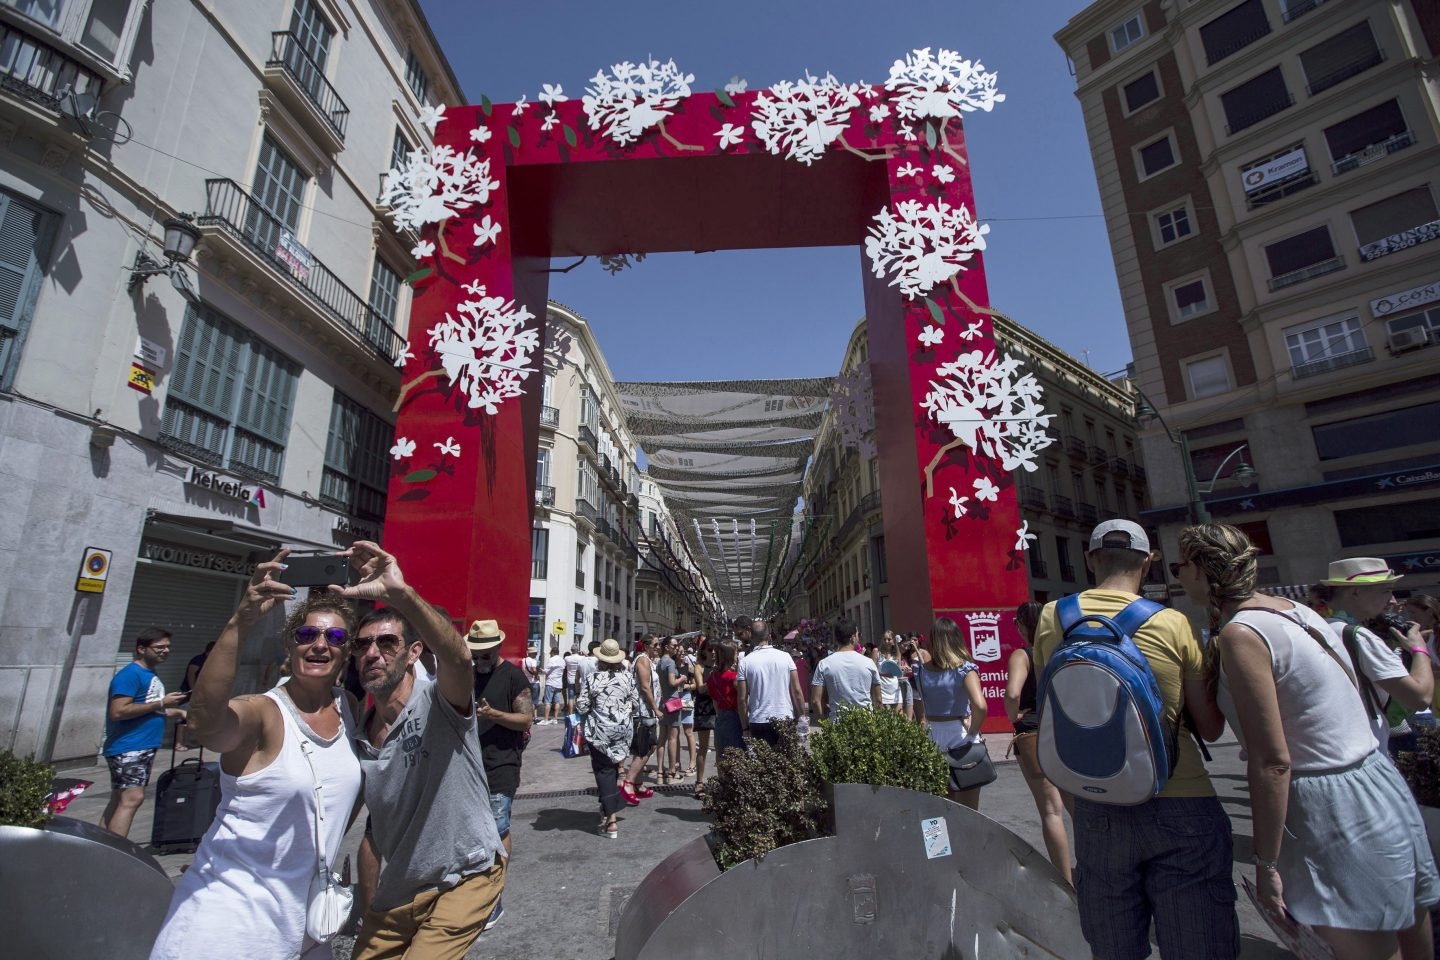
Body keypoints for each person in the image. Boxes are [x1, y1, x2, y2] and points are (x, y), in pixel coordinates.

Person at [1177, 523, 1439, 960]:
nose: (1178, 576)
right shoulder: (1294, 610)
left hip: (1331, 803)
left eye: (1179, 566)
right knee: (1408, 920)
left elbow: (1272, 761)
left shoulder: (1241, 635)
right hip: (1376, 778)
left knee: (1362, 939)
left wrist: (1266, 865)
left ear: (1202, 571)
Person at [1033, 519, 1236, 960]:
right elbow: (1212, 727)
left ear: (1090, 559)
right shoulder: (1173, 623)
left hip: (1097, 801)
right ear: (1147, 563)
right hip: (1180, 797)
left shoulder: (1054, 617)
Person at [150, 567, 363, 960]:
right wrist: (241, 620)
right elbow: (206, 724)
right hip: (228, 924)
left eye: (334, 637)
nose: (319, 644)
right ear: (290, 645)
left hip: (308, 925)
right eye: (306, 634)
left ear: (346, 651)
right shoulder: (263, 711)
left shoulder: (347, 708)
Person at [345, 542, 506, 960]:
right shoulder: (356, 733)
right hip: (399, 892)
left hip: (465, 875)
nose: (373, 654)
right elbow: (368, 832)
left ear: (414, 652)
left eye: (387, 643)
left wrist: (402, 594)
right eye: (362, 646)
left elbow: (458, 658)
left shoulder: (439, 702)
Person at [1313, 558, 1433, 756]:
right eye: (1386, 591)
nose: (1393, 600)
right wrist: (1419, 649)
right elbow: (1419, 697)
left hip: (1334, 749)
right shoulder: (1360, 637)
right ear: (1355, 592)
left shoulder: (1318, 628)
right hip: (1368, 753)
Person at [468, 618, 533, 933]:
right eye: (475, 655)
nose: (479, 661)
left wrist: (494, 715)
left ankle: (494, 897)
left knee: (497, 828)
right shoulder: (464, 674)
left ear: (496, 649)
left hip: (501, 764)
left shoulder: (512, 676)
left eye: (485, 655)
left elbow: (525, 719)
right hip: (467, 765)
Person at [1003, 601, 1071, 886]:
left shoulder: (1023, 655)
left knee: (1050, 810)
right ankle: (1094, 873)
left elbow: (1012, 693)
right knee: (1076, 807)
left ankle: (1066, 882)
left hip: (1033, 733)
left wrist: (1012, 716)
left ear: (1021, 624)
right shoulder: (1060, 649)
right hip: (1065, 729)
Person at [101, 627, 185, 839]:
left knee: (120, 799)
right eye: (159, 647)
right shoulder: (131, 675)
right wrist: (161, 702)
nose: (165, 651)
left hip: (141, 745)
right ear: (141, 649)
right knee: (132, 798)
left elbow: (146, 707)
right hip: (130, 746)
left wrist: (173, 710)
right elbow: (118, 711)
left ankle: (100, 845)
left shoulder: (149, 674)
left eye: (167, 647)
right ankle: (116, 852)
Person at [912, 617, 990, 811]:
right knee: (968, 811)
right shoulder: (965, 670)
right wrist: (973, 732)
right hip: (960, 736)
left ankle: (941, 843)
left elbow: (919, 708)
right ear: (957, 639)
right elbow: (980, 706)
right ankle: (966, 842)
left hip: (932, 737)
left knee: (938, 811)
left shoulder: (920, 671)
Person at [575, 639, 638, 838]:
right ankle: (607, 808)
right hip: (622, 730)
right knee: (611, 768)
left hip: (599, 731)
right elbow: (636, 704)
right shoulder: (628, 678)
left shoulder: (592, 679)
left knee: (603, 770)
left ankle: (611, 819)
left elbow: (582, 706)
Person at [736, 621, 804, 747]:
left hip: (758, 720)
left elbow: (742, 699)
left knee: (762, 763)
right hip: (784, 717)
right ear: (769, 636)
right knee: (786, 761)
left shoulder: (744, 662)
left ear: (751, 637)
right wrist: (802, 719)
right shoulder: (786, 657)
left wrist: (745, 727)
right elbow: (797, 692)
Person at [810, 618, 881, 720]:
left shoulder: (824, 664)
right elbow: (878, 700)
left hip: (837, 726)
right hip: (865, 724)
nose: (858, 637)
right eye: (857, 634)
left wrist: (823, 725)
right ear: (852, 638)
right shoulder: (869, 663)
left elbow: (815, 700)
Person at [621, 635, 661, 805]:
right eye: (655, 645)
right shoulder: (643, 660)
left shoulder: (646, 660)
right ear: (646, 646)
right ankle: (628, 782)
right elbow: (645, 687)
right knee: (646, 747)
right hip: (644, 711)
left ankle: (637, 782)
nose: (658, 647)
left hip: (647, 711)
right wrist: (655, 708)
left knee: (649, 746)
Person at [656, 637, 690, 781]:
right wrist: (681, 679)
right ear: (666, 647)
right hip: (673, 702)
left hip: (662, 702)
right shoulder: (670, 662)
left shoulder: (659, 662)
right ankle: (672, 771)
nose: (676, 648)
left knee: (662, 738)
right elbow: (671, 682)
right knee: (673, 738)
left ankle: (659, 772)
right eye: (674, 645)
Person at [174, 641, 215, 751]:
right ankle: (178, 743)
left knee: (195, 719)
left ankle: (188, 741)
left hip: (201, 695)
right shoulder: (198, 660)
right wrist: (193, 691)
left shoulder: (210, 661)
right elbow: (191, 675)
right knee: (184, 719)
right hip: (189, 694)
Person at [690, 642, 717, 796]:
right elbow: (700, 688)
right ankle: (699, 782)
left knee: (721, 746)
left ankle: (722, 781)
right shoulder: (699, 667)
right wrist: (716, 680)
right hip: (704, 708)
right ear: (704, 651)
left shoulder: (721, 666)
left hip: (719, 707)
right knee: (704, 746)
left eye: (715, 650)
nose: (713, 653)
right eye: (710, 650)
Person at [708, 642, 743, 760]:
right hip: (735, 718)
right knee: (737, 755)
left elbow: (715, 703)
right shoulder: (735, 678)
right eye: (736, 652)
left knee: (722, 756)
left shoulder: (712, 677)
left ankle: (722, 778)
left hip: (721, 717)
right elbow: (742, 701)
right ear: (730, 656)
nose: (737, 655)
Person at [539, 645, 566, 725]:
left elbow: (546, 671)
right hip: (558, 683)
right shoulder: (562, 660)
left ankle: (546, 719)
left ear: (553, 652)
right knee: (557, 702)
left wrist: (541, 671)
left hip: (550, 682)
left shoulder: (552, 660)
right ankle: (555, 719)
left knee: (548, 702)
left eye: (551, 653)